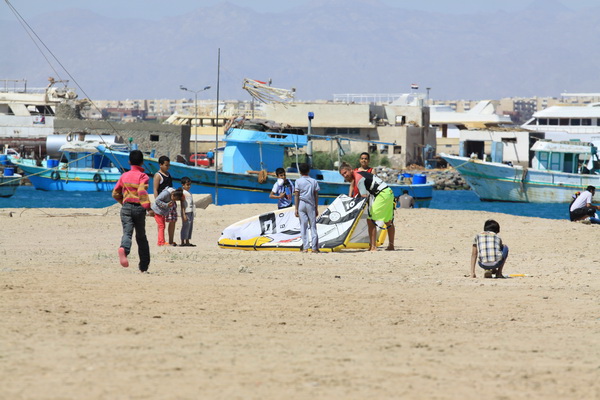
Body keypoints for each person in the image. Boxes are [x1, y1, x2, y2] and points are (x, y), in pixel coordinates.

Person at [339, 161, 395, 251]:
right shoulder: (360, 173)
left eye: (345, 173)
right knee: (388, 221)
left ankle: (373, 247)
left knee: (371, 220)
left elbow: (364, 196)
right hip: (388, 192)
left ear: (350, 170)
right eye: (343, 175)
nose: (345, 176)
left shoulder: (358, 179)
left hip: (382, 194)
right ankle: (391, 246)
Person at [112, 150, 152, 273]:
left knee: (127, 233)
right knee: (141, 236)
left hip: (126, 207)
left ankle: (124, 249)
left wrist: (123, 202)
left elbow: (115, 193)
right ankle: (143, 266)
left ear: (129, 162)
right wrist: (148, 207)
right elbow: (141, 192)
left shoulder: (124, 176)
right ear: (142, 162)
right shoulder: (143, 176)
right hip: (139, 208)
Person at [153, 156, 181, 245]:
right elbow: (155, 189)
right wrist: (158, 202)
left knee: (172, 221)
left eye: (168, 165)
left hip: (171, 201)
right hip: (162, 201)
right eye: (166, 165)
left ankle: (171, 240)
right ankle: (161, 240)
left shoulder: (168, 174)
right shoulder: (158, 176)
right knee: (161, 224)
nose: (167, 167)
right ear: (160, 165)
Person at [294, 163, 320, 253]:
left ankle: (305, 247)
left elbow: (296, 195)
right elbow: (316, 195)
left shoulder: (298, 181)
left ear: (300, 171)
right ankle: (314, 247)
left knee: (303, 226)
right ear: (309, 170)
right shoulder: (314, 181)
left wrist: (296, 208)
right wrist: (316, 207)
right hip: (311, 204)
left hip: (301, 203)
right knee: (313, 226)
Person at [180, 177, 196, 247]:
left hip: (191, 211)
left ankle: (187, 240)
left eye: (189, 185)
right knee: (185, 226)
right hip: (186, 212)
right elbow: (182, 204)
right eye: (187, 185)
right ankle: (183, 241)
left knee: (190, 227)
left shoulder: (189, 193)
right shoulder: (183, 193)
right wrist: (183, 214)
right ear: (183, 185)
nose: (189, 186)